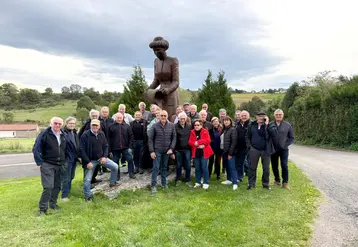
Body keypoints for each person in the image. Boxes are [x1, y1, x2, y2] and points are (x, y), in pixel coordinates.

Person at [80, 119, 121, 201]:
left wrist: (104, 157)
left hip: (101, 158)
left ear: (99, 126)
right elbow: (81, 149)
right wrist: (87, 162)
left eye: (96, 125)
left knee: (115, 166)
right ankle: (87, 197)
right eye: (93, 125)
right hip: (90, 161)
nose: (95, 127)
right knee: (87, 179)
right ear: (90, 125)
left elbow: (106, 146)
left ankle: (112, 183)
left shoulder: (101, 133)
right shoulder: (85, 135)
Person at [33, 117, 66, 216]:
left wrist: (65, 161)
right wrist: (40, 162)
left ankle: (53, 204)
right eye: (55, 123)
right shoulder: (45, 134)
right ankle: (42, 209)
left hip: (59, 164)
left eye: (60, 124)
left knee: (57, 186)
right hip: (47, 164)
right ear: (51, 123)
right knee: (48, 187)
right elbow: (36, 148)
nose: (57, 125)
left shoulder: (63, 134)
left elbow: (65, 149)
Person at [145, 36, 180, 118]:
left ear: (164, 49)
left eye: (158, 50)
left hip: (171, 93)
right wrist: (148, 89)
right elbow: (156, 80)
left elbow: (176, 81)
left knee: (171, 117)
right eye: (154, 51)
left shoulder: (173, 60)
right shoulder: (156, 62)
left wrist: (168, 89)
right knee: (160, 117)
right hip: (160, 95)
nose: (156, 52)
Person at [148, 110, 176, 194]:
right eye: (162, 115)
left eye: (165, 115)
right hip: (157, 151)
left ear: (167, 116)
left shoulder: (171, 125)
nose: (163, 117)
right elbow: (150, 139)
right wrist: (152, 151)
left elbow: (174, 138)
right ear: (159, 116)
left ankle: (164, 184)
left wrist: (171, 149)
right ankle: (153, 186)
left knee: (164, 168)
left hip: (167, 151)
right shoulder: (154, 126)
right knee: (156, 168)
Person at [246, 112, 276, 190]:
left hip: (266, 150)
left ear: (265, 117)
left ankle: (265, 184)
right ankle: (251, 184)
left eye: (262, 116)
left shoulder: (270, 125)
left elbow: (271, 135)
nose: (260, 118)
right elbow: (248, 136)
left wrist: (266, 125)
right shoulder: (252, 125)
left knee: (266, 168)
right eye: (259, 116)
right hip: (254, 149)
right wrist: (249, 147)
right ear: (256, 117)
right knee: (252, 167)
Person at [270, 109, 294, 189]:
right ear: (274, 115)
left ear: (282, 115)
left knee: (284, 165)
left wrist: (285, 145)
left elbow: (291, 138)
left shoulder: (287, 125)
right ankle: (277, 180)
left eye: (280, 114)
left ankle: (285, 182)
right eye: (277, 114)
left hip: (283, 150)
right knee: (274, 165)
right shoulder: (270, 125)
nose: (278, 116)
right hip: (273, 149)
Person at [108, 113, 136, 179]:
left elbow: (131, 137)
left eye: (120, 118)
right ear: (115, 118)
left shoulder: (127, 126)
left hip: (126, 148)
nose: (119, 119)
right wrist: (110, 150)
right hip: (115, 148)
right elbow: (108, 138)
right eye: (118, 118)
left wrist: (130, 147)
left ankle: (131, 173)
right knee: (115, 162)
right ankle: (117, 175)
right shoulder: (111, 126)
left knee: (130, 159)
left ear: (123, 118)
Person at [189, 120, 213, 189]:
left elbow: (208, 140)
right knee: (197, 168)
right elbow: (190, 141)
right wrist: (195, 144)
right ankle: (198, 182)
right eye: (195, 125)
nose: (196, 126)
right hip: (196, 152)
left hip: (204, 152)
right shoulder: (192, 132)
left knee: (204, 167)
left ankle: (206, 182)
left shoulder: (205, 131)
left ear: (201, 125)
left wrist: (199, 142)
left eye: (198, 125)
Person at [61, 117, 79, 201]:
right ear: (66, 124)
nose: (72, 125)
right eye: (70, 123)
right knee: (66, 178)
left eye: (73, 123)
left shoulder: (74, 133)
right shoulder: (62, 133)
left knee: (71, 176)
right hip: (66, 159)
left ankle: (67, 191)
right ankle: (64, 196)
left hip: (74, 159)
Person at [174, 112, 192, 187]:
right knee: (178, 165)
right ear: (178, 118)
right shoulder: (174, 126)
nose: (182, 120)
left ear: (186, 119)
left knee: (188, 164)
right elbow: (173, 138)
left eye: (184, 118)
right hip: (178, 149)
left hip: (187, 149)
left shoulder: (189, 126)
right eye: (181, 118)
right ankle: (178, 179)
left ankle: (188, 180)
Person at [220, 116, 238, 190]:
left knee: (232, 167)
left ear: (230, 121)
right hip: (224, 151)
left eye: (227, 120)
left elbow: (234, 143)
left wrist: (230, 153)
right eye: (225, 121)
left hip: (230, 153)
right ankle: (229, 180)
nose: (226, 122)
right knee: (227, 166)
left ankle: (235, 183)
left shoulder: (233, 130)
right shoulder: (224, 130)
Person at [236, 110, 251, 182]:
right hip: (240, 146)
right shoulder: (237, 124)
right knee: (241, 162)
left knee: (247, 162)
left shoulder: (251, 124)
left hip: (249, 147)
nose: (244, 117)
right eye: (242, 116)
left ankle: (249, 175)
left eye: (245, 115)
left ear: (248, 116)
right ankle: (240, 176)